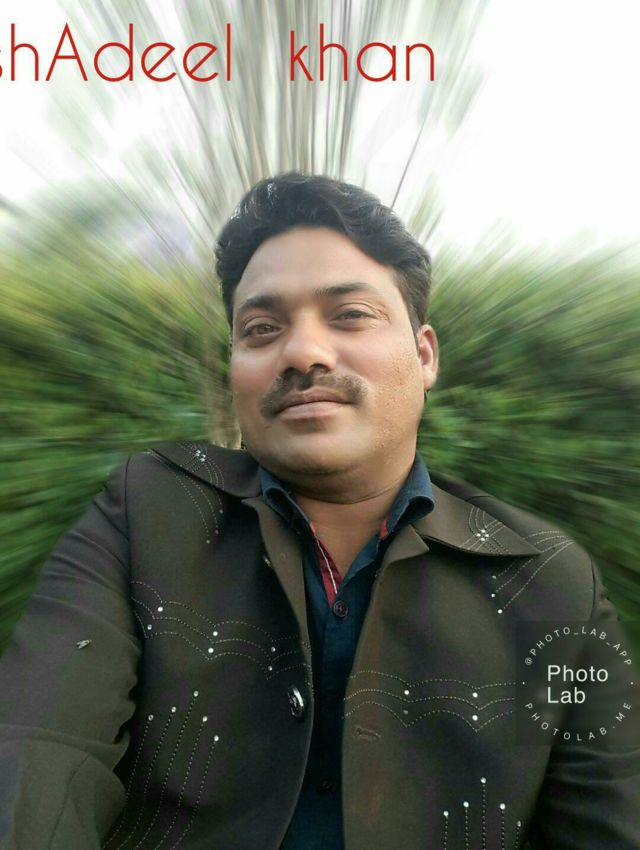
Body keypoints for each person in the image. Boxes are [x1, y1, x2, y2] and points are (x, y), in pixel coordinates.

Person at [0, 172, 638, 850]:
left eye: (350, 314)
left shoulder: (547, 580)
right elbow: (40, 747)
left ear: (424, 355)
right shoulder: (147, 513)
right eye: (261, 329)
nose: (302, 352)